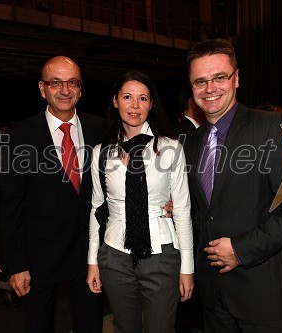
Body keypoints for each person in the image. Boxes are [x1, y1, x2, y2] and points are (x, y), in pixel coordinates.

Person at [183, 39, 282, 333]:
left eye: (220, 77)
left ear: (237, 78)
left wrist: (242, 249)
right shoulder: (191, 141)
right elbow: (206, 209)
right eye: (200, 81)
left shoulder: (273, 125)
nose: (210, 88)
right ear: (191, 87)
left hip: (264, 290)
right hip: (212, 294)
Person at [0, 56, 104, 333]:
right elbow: (11, 205)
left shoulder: (100, 128)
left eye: (72, 82)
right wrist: (17, 264)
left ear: (81, 89)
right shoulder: (19, 136)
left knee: (90, 324)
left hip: (89, 252)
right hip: (39, 256)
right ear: (42, 88)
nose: (65, 90)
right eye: (55, 82)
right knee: (38, 325)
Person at [86, 71, 194, 333]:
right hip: (114, 257)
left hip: (160, 255)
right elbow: (97, 208)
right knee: (124, 328)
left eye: (143, 98)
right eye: (127, 97)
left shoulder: (171, 148)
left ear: (151, 104)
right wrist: (93, 261)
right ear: (115, 101)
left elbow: (182, 209)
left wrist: (187, 267)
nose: (135, 105)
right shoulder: (101, 153)